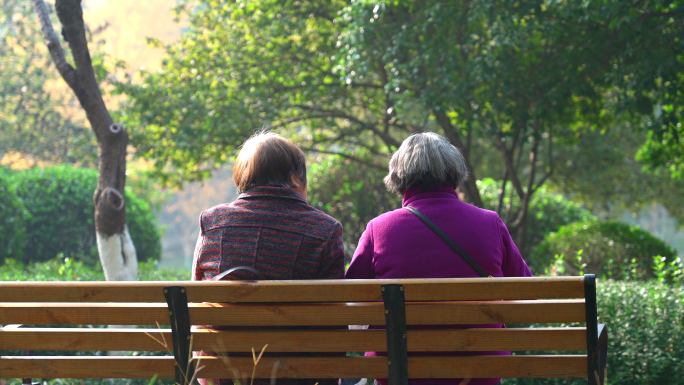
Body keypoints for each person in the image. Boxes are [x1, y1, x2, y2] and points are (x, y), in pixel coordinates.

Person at [345, 132, 533, 385]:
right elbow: (526, 292)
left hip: (399, 373)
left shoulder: (379, 229)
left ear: (399, 177)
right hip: (478, 373)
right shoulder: (490, 223)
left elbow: (349, 302)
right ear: (454, 172)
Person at [192, 132, 345, 385]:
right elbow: (333, 320)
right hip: (295, 375)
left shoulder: (212, 222)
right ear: (296, 178)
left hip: (220, 373)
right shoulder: (325, 230)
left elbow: (197, 299)